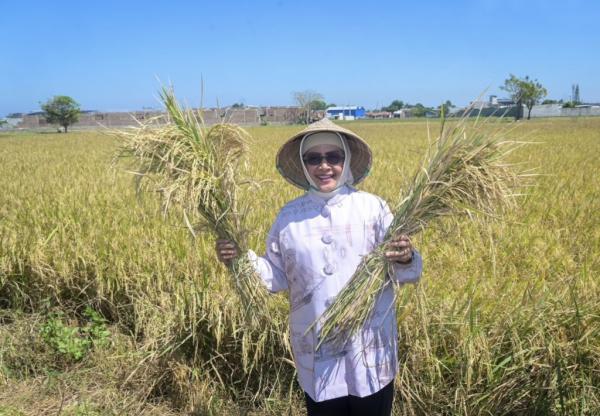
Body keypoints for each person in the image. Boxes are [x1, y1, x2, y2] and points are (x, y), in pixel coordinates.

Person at [216, 118, 423, 416]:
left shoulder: (373, 208)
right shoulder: (289, 217)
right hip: (316, 352)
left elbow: (407, 270)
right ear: (303, 165)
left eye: (333, 157)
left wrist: (405, 257)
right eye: (313, 158)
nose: (324, 166)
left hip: (369, 347)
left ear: (346, 160)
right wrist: (238, 258)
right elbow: (275, 276)